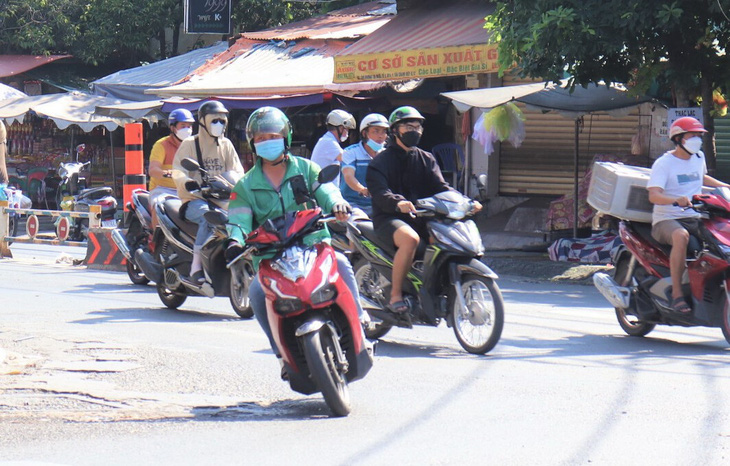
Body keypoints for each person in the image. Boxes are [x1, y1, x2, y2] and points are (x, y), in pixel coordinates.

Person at [226, 106, 369, 373]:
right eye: (260, 139)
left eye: (272, 136)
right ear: (252, 143)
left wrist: (338, 205)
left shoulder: (306, 168)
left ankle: (360, 324)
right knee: (257, 293)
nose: (267, 142)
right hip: (271, 258)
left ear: (286, 137)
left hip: (312, 245)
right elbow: (238, 219)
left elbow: (326, 190)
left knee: (341, 263)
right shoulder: (245, 185)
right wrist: (235, 240)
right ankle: (282, 354)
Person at [366, 106, 481, 314]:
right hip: (389, 218)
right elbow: (380, 192)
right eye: (409, 126)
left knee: (448, 239)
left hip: (423, 217)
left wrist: (466, 202)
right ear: (395, 130)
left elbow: (442, 188)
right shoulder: (380, 162)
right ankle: (395, 296)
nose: (415, 131)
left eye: (418, 127)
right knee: (411, 240)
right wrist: (397, 202)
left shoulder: (426, 158)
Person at [647, 116, 730, 314]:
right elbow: (654, 195)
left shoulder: (699, 157)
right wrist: (676, 200)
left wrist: (724, 186)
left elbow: (701, 177)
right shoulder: (664, 163)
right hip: (667, 219)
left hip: (696, 216)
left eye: (699, 136)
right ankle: (677, 295)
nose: (697, 140)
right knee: (681, 236)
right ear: (678, 139)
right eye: (692, 135)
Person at [172, 101, 245, 285]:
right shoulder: (190, 143)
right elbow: (179, 169)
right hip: (194, 200)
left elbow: (237, 170)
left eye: (222, 120)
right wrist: (187, 182)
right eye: (214, 120)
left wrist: (238, 183)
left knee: (241, 215)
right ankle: (196, 266)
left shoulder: (226, 144)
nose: (218, 124)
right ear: (203, 121)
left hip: (222, 198)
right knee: (209, 216)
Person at [148, 108, 195, 228]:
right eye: (183, 125)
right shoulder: (161, 145)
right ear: (173, 127)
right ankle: (155, 240)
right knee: (159, 207)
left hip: (187, 191)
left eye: (189, 126)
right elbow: (153, 170)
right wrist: (167, 173)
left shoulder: (194, 146)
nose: (187, 129)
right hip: (162, 190)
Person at [340, 113, 389, 216]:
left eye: (384, 131)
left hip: (380, 205)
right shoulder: (351, 152)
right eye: (375, 131)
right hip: (353, 205)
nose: (380, 136)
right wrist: (363, 190)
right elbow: (349, 176)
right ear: (364, 133)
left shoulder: (387, 154)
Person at [310, 109, 356, 187]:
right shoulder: (329, 142)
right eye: (347, 129)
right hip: (323, 192)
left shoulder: (327, 140)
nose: (347, 132)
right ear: (341, 128)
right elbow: (347, 158)